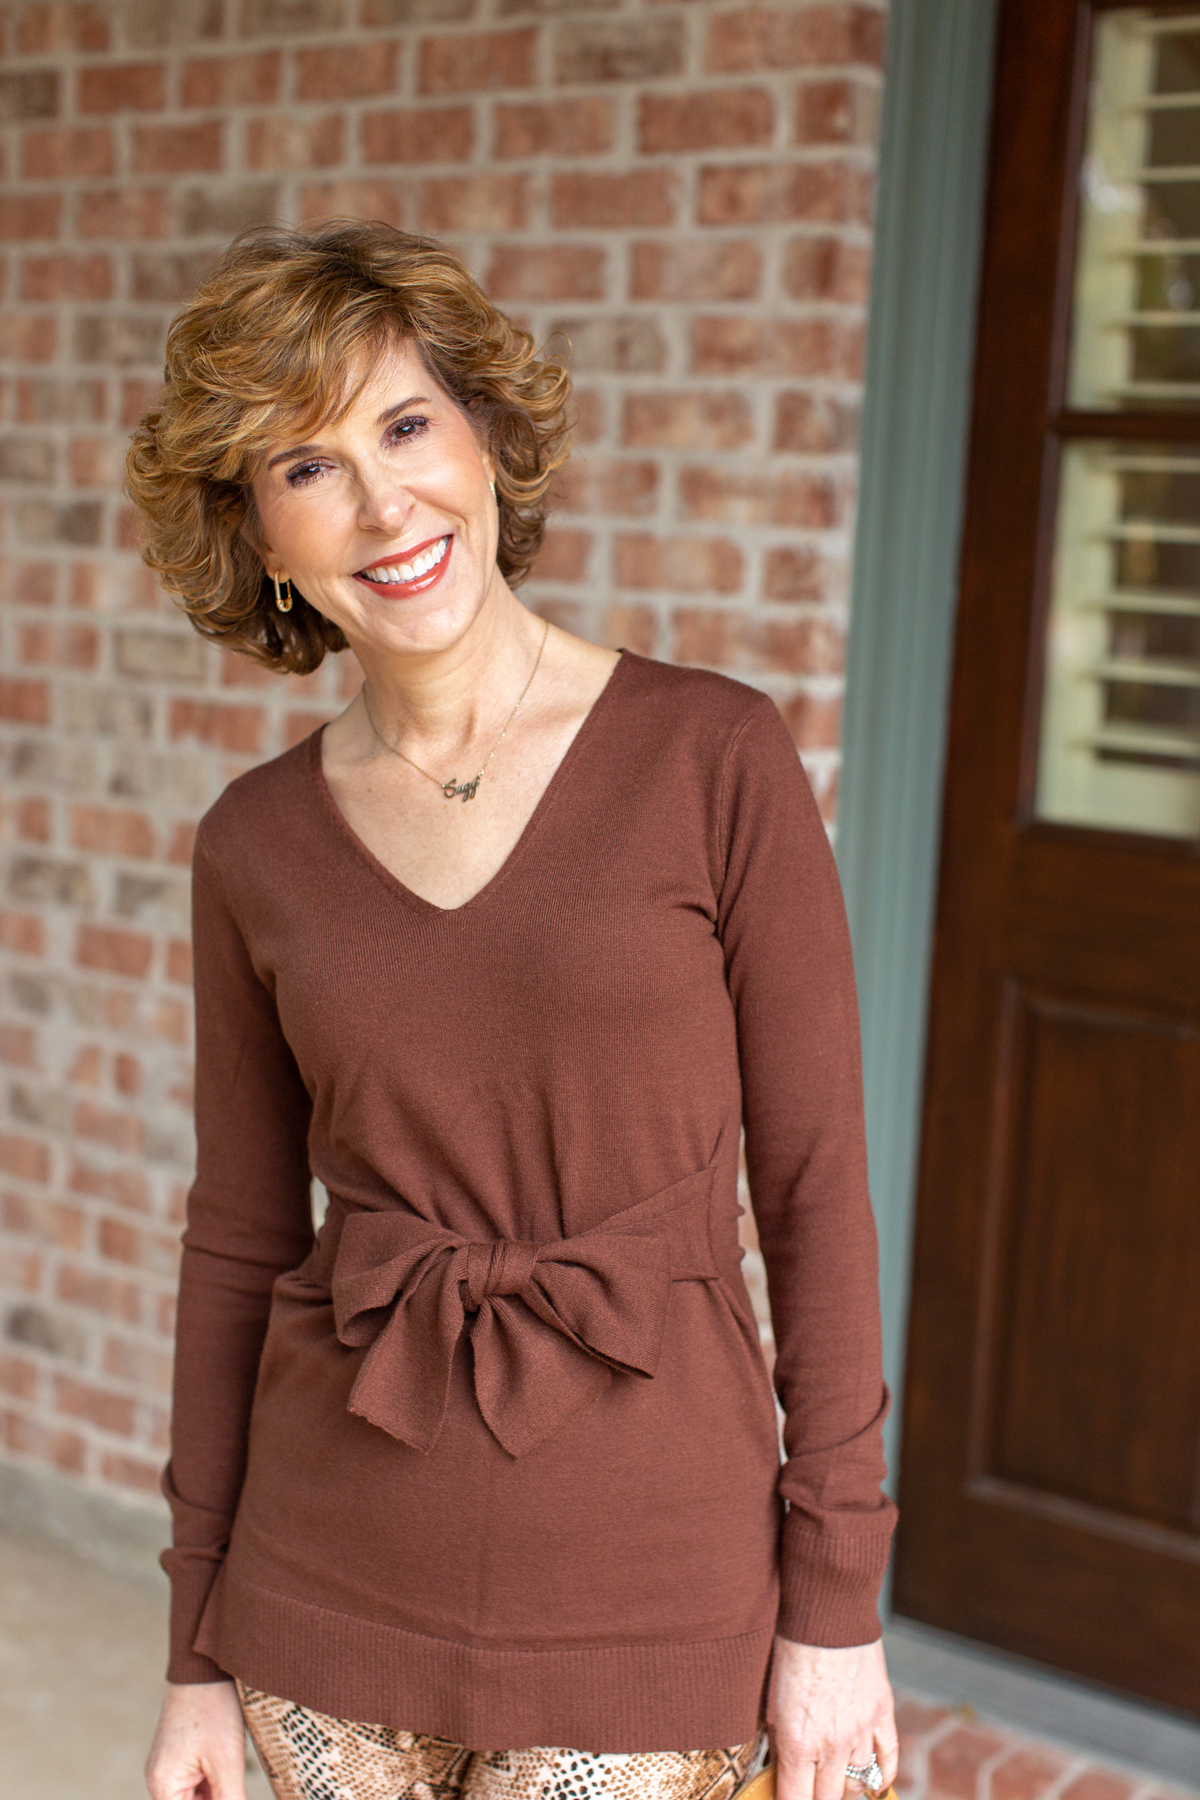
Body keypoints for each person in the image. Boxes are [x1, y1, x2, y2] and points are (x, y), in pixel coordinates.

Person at [127, 221, 900, 1800]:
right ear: (264, 538)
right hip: (320, 1591)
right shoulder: (253, 844)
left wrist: (838, 1608)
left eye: (408, 426)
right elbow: (238, 1244)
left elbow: (816, 1196)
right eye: (307, 466)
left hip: (648, 1591)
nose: (384, 501)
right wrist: (196, 1648)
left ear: (486, 442)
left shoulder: (714, 759)